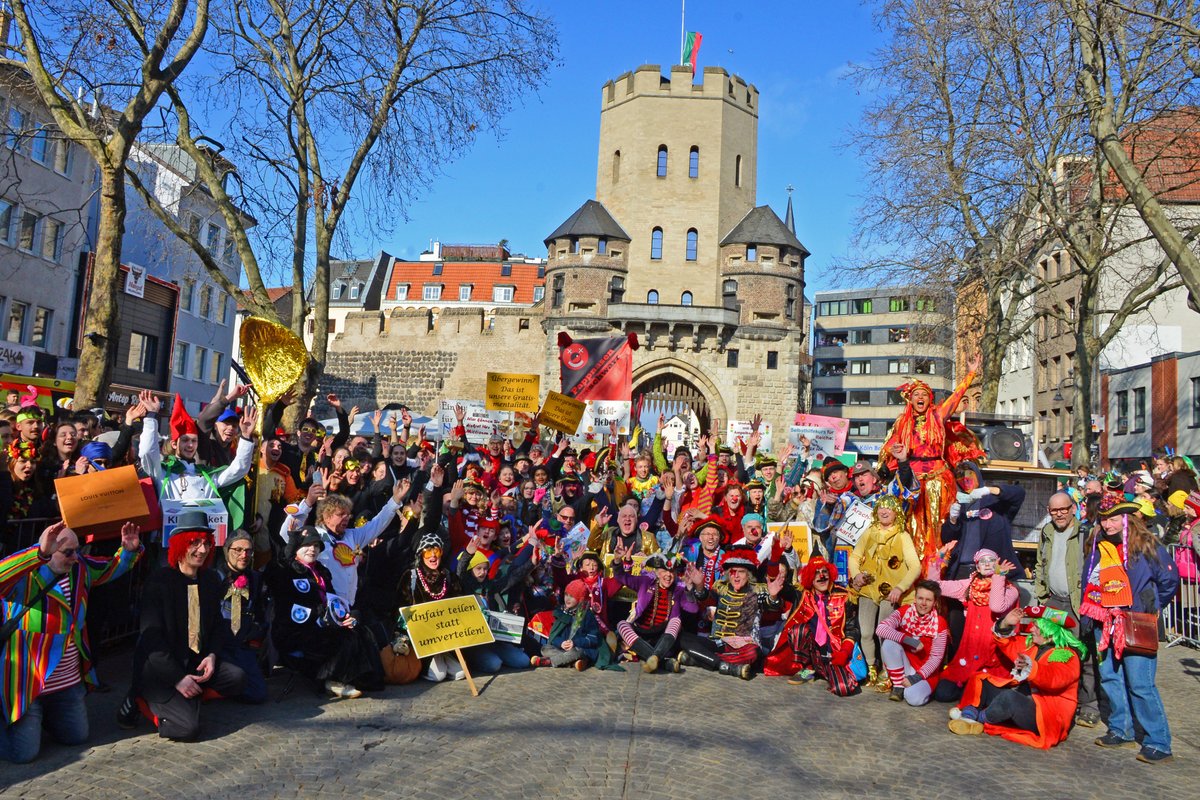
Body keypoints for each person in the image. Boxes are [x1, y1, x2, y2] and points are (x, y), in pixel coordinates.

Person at [0, 521, 142, 763]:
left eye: (78, 550)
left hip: (67, 683)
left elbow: (110, 568)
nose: (75, 557)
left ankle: (41, 719)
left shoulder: (80, 569)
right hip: (29, 684)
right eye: (68, 552)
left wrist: (128, 550)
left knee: (76, 736)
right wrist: (39, 554)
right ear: (48, 550)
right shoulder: (27, 576)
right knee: (23, 754)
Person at [123, 511, 247, 740]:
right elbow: (152, 641)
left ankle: (191, 697)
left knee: (237, 678)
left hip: (195, 662)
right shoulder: (159, 582)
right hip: (162, 670)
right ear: (181, 544)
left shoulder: (210, 580)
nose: (202, 550)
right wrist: (177, 679)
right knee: (187, 729)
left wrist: (211, 655)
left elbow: (218, 624)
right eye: (194, 543)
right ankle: (139, 700)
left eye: (206, 543)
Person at [1081, 496, 1179, 764]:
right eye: (1104, 518)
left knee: (1141, 684)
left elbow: (1169, 580)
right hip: (1105, 621)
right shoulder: (1097, 546)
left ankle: (1158, 741)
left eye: (1113, 518)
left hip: (1135, 622)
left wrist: (1149, 604)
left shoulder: (1146, 545)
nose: (1107, 523)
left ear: (1127, 520)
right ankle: (1120, 729)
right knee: (1110, 677)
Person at [878, 353, 985, 561]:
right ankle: (913, 564)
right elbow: (892, 444)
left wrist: (971, 374)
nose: (920, 398)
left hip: (938, 478)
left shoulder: (938, 415)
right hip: (913, 482)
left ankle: (938, 565)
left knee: (939, 523)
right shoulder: (902, 422)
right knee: (912, 524)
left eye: (924, 395)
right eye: (916, 395)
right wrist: (894, 451)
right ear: (910, 399)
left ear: (930, 399)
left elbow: (955, 398)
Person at [265, 527, 383, 699]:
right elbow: (275, 572)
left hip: (323, 623)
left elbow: (333, 599)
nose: (312, 549)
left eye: (316, 546)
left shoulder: (321, 571)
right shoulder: (287, 570)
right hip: (295, 628)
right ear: (297, 548)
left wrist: (346, 616)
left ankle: (362, 678)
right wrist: (291, 544)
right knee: (341, 638)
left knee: (359, 630)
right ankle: (329, 679)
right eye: (307, 545)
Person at [950, 605, 1083, 750]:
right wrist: (1006, 623)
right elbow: (1008, 644)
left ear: (1049, 631)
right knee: (980, 679)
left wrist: (1030, 668)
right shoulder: (1034, 646)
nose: (1032, 629)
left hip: (1045, 715)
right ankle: (968, 715)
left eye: (1037, 627)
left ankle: (978, 719)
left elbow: (1055, 679)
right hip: (1026, 699)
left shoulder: (1066, 654)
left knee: (1008, 698)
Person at [1033, 491, 1102, 727]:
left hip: (1077, 603)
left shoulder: (1086, 532)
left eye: (1063, 509)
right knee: (1051, 648)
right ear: (1049, 512)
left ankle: (1089, 704)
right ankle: (1058, 698)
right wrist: (1041, 595)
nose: (1059, 514)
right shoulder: (1047, 531)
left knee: (1083, 652)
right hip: (1053, 601)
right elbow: (1040, 563)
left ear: (1073, 508)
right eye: (1054, 510)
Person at [678, 548, 787, 679]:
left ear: (748, 575)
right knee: (682, 638)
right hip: (717, 642)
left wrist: (773, 597)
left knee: (753, 653)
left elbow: (772, 606)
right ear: (728, 574)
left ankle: (699, 660)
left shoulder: (758, 590)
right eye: (733, 572)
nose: (736, 576)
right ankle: (724, 665)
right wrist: (700, 585)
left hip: (742, 647)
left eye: (741, 572)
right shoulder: (720, 587)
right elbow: (705, 599)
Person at [849, 495, 922, 690]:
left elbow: (915, 566)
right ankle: (872, 666)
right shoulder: (869, 532)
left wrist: (900, 588)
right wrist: (856, 575)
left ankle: (888, 671)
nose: (883, 511)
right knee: (865, 632)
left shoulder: (902, 536)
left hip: (890, 593)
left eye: (888, 508)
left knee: (884, 633)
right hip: (868, 589)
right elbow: (855, 556)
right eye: (881, 508)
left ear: (895, 512)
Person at [928, 547, 1019, 702]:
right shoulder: (969, 585)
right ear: (977, 566)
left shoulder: (1010, 589)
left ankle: (976, 692)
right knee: (942, 694)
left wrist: (999, 576)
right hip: (968, 657)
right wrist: (938, 558)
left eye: (991, 560)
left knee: (979, 696)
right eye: (983, 561)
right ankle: (968, 687)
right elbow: (935, 585)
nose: (987, 564)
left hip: (992, 660)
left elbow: (996, 606)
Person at [767, 557, 861, 696]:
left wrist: (844, 653)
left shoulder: (844, 596)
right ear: (810, 576)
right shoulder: (801, 594)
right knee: (798, 631)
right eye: (816, 573)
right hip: (812, 654)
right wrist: (776, 552)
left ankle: (828, 672)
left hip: (834, 655)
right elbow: (776, 579)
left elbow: (853, 629)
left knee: (844, 688)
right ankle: (807, 669)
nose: (822, 576)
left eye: (824, 572)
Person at [612, 550, 697, 673]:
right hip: (641, 633)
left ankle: (655, 657)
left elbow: (693, 609)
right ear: (657, 573)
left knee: (676, 621)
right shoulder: (645, 582)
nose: (668, 575)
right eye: (664, 571)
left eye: (672, 571)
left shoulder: (679, 590)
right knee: (622, 624)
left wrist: (689, 590)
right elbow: (621, 577)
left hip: (662, 638)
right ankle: (662, 661)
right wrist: (617, 560)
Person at [209, 530, 270, 704]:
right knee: (237, 679)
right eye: (238, 550)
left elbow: (259, 609)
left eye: (248, 551)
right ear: (227, 550)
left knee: (258, 694)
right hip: (219, 646)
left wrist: (256, 628)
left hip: (241, 646)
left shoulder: (255, 579)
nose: (244, 555)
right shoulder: (214, 577)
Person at [875, 580, 949, 706]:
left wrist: (916, 678)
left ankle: (916, 689)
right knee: (889, 643)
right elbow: (880, 629)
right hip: (906, 667)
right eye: (920, 598)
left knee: (913, 699)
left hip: (926, 673)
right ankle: (898, 686)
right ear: (915, 598)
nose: (923, 603)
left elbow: (936, 659)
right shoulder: (905, 612)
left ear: (935, 602)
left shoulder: (940, 623)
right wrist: (910, 641)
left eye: (928, 600)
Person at [531, 579, 600, 670]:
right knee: (545, 648)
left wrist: (575, 643)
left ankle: (549, 662)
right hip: (562, 649)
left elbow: (593, 638)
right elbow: (554, 636)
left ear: (580, 598)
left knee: (576, 653)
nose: (567, 599)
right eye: (566, 595)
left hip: (580, 648)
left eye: (572, 596)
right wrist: (561, 643)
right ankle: (572, 662)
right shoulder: (561, 612)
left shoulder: (587, 615)